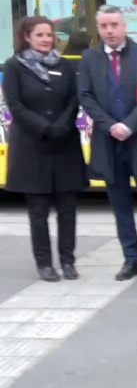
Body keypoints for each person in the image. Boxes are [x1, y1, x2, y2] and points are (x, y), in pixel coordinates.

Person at [2, 16, 87, 282]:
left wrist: (61, 126)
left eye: (49, 35)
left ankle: (68, 261)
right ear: (27, 37)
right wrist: (45, 128)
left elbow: (75, 99)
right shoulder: (14, 66)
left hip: (65, 145)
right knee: (38, 211)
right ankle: (45, 264)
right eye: (40, 35)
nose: (46, 39)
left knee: (67, 208)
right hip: (31, 146)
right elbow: (15, 105)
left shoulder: (64, 65)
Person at [79, 6, 137, 281]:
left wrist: (129, 124)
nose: (109, 31)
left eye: (114, 24)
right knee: (120, 204)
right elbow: (85, 96)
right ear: (98, 29)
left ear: (125, 26)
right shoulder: (90, 58)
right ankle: (131, 259)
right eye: (104, 26)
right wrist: (110, 125)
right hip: (108, 143)